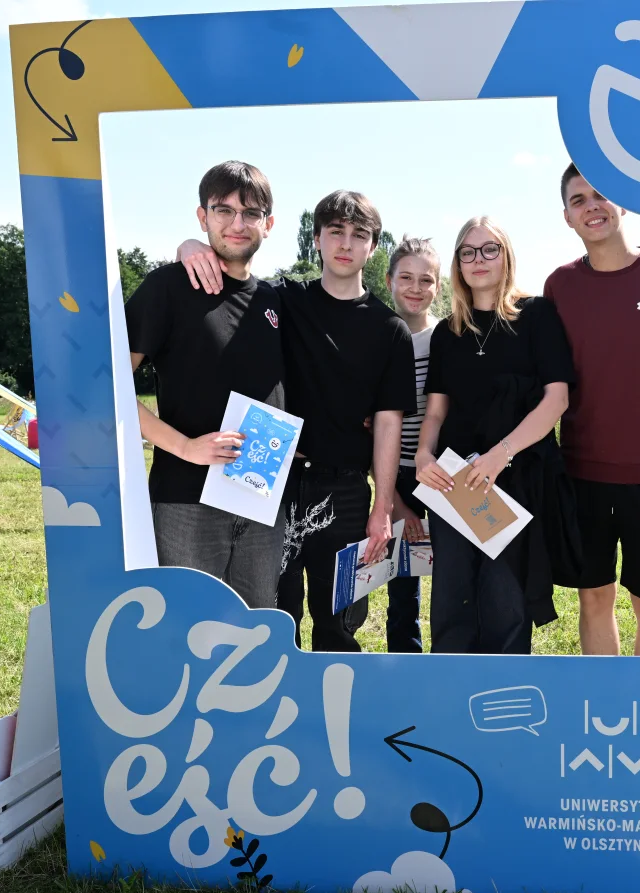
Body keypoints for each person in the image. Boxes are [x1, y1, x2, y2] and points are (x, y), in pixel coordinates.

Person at [178, 191, 414, 652]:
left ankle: (336, 697)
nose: (345, 243)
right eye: (335, 231)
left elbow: (389, 425)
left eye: (359, 235)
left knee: (339, 623)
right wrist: (190, 245)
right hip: (272, 478)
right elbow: (230, 271)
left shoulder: (390, 330)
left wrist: (382, 509)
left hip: (345, 490)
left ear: (373, 246)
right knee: (269, 615)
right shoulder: (280, 300)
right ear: (316, 238)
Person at [545, 164, 640, 658]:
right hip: (582, 474)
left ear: (624, 202)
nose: (592, 206)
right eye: (578, 199)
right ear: (567, 216)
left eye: (601, 194)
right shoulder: (560, 286)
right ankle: (604, 696)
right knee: (594, 599)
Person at [125, 161, 287, 610]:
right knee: (188, 627)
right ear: (202, 217)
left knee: (256, 629)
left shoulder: (274, 300)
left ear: (268, 224)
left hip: (260, 499)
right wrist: (185, 447)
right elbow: (107, 388)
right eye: (223, 210)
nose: (237, 223)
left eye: (251, 213)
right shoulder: (168, 286)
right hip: (187, 500)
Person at [415, 217, 574, 655]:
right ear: (458, 264)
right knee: (452, 602)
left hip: (515, 479)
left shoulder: (537, 315)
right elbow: (436, 411)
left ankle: (505, 691)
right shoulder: (448, 332)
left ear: (506, 256)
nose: (478, 259)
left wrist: (500, 455)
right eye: (468, 252)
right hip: (455, 484)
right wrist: (424, 455)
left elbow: (556, 401)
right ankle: (451, 689)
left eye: (490, 249)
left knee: (506, 604)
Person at [383, 237, 442, 654]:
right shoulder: (378, 337)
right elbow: (371, 431)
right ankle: (405, 662)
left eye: (426, 279)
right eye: (406, 277)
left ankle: (449, 660)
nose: (415, 288)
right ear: (389, 280)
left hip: (441, 473)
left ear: (438, 285)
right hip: (395, 473)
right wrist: (394, 501)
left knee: (452, 577)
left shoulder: (447, 337)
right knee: (402, 583)